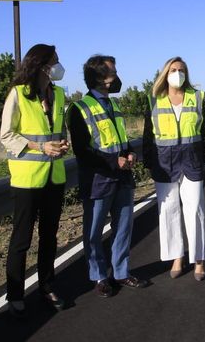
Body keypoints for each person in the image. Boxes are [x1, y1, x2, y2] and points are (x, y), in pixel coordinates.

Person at [68, 55, 148, 297]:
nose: (116, 76)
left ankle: (121, 272)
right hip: (98, 180)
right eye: (113, 72)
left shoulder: (114, 104)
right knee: (93, 232)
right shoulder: (79, 109)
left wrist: (130, 152)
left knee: (123, 228)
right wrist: (114, 161)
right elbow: (82, 150)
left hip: (123, 177)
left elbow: (121, 139)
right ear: (99, 77)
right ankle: (99, 276)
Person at [0, 44, 69, 318]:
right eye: (55, 61)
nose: (59, 66)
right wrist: (40, 147)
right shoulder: (18, 94)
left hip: (55, 175)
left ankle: (47, 286)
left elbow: (58, 130)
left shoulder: (59, 94)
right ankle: (15, 294)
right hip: (27, 179)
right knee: (22, 239)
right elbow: (6, 135)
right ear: (41, 65)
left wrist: (63, 144)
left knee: (49, 236)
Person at [142, 57, 205, 281]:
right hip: (164, 162)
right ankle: (176, 257)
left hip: (192, 160)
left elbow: (204, 131)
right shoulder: (154, 99)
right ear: (165, 73)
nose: (177, 73)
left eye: (181, 70)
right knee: (168, 211)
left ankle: (199, 259)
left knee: (195, 209)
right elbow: (148, 134)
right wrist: (149, 163)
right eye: (173, 70)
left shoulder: (197, 97)